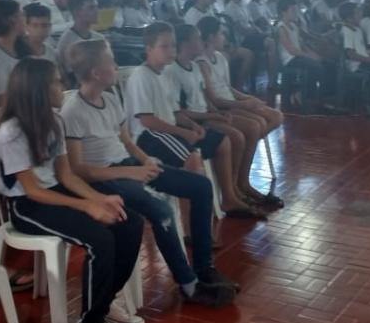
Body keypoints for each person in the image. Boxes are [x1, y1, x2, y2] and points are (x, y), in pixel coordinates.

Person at [63, 39, 239, 306]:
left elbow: (126, 141)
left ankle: (204, 268)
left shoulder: (109, 99)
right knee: (162, 211)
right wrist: (132, 172)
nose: (116, 66)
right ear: (97, 73)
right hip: (107, 178)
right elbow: (79, 170)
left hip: (128, 165)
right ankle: (189, 285)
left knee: (201, 187)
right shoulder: (73, 111)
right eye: (111, 62)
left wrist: (146, 161)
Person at [0, 57, 143, 323]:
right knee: (100, 239)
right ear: (39, 89)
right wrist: (85, 207)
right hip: (27, 206)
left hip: (53, 192)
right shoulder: (11, 133)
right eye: (57, 82)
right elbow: (34, 191)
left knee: (131, 221)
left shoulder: (54, 120)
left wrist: (98, 199)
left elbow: (65, 175)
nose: (63, 87)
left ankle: (105, 300)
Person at [168, 24, 274, 213]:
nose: (201, 42)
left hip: (207, 114)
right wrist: (211, 114)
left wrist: (216, 110)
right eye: (197, 39)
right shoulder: (174, 71)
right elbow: (181, 111)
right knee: (237, 136)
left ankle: (238, 186)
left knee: (249, 128)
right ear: (185, 44)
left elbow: (204, 96)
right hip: (196, 120)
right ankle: (230, 193)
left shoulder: (193, 67)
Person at [195, 16, 283, 150]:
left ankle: (247, 145)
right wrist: (243, 104)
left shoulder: (220, 57)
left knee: (276, 116)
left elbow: (228, 87)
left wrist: (248, 98)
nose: (224, 37)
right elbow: (214, 99)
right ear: (211, 37)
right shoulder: (202, 63)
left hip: (232, 102)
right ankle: (245, 153)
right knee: (256, 125)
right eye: (221, 33)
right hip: (223, 107)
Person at [276, 0, 326, 108]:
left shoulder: (294, 26)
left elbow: (301, 44)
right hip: (290, 59)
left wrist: (312, 53)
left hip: (298, 56)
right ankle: (309, 96)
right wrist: (308, 56)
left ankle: (307, 94)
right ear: (283, 12)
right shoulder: (281, 28)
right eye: (292, 11)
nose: (296, 13)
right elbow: (291, 50)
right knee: (317, 67)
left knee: (321, 63)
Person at [56, 0, 105, 83]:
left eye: (96, 7)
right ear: (77, 11)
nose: (97, 11)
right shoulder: (67, 42)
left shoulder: (99, 38)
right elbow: (72, 77)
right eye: (91, 8)